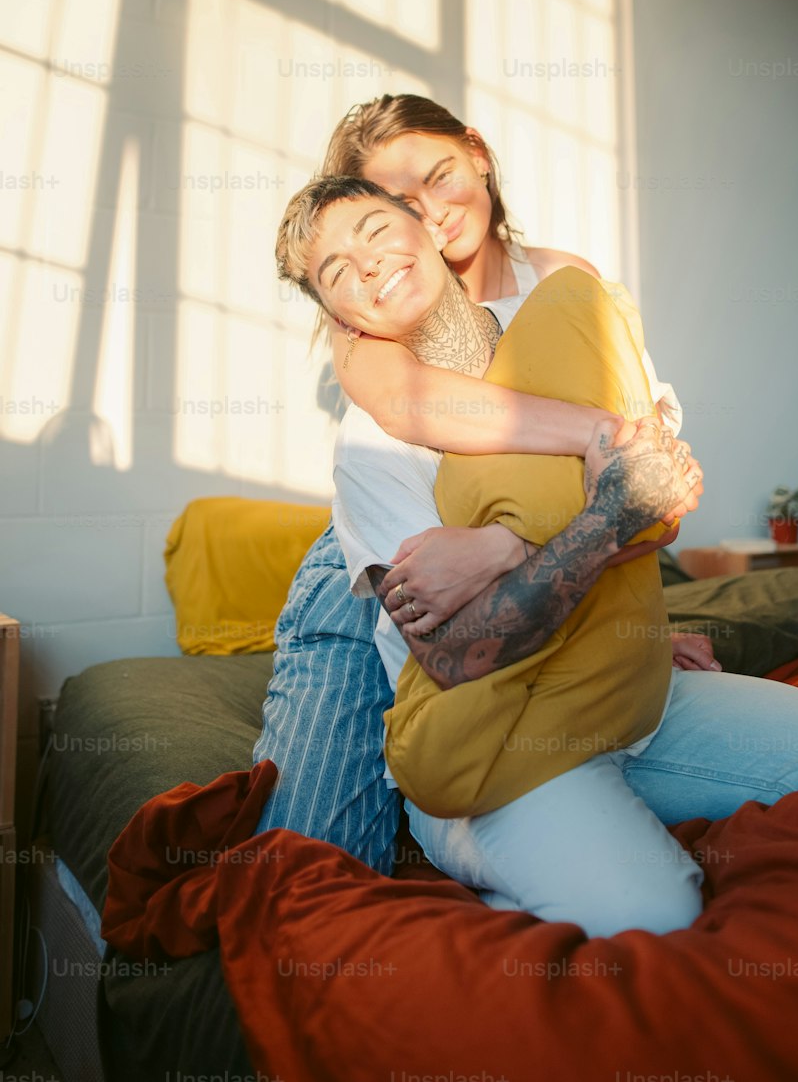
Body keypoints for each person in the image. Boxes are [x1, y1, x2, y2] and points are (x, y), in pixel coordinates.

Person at [274, 174, 798, 937]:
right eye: (338, 273)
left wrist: (503, 544)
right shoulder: (372, 443)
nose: (369, 265)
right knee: (655, 911)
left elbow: (660, 509)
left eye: (377, 231)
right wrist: (604, 515)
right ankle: (510, 862)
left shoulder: (555, 339)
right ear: (341, 319)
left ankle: (610, 813)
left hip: (632, 696)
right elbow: (454, 653)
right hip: (497, 744)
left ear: (427, 225)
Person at [254, 93, 696, 870]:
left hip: (518, 542)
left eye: (441, 174)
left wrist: (511, 547)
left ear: (478, 153)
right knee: (309, 851)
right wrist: (595, 440)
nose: (432, 208)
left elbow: (649, 492)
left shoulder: (565, 284)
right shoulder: (376, 322)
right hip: (387, 546)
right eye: (400, 202)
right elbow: (406, 403)